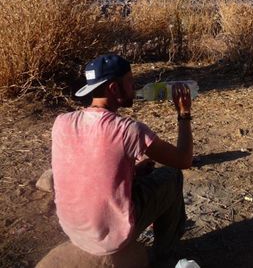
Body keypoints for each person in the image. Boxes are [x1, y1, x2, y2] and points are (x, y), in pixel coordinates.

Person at [51, 53, 193, 265]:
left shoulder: (62, 122)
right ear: (114, 89)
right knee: (171, 176)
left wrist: (133, 171)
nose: (134, 87)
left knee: (140, 173)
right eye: (130, 81)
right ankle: (165, 255)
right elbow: (183, 160)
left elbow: (91, 168)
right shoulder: (128, 130)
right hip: (108, 238)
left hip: (74, 229)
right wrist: (184, 114)